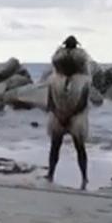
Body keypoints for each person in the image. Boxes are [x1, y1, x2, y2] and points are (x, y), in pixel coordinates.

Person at [45, 36, 92, 190]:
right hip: (73, 117)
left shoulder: (54, 79)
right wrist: (68, 115)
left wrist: (60, 115)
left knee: (57, 146)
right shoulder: (83, 79)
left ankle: (52, 174)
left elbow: (50, 102)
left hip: (61, 116)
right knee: (77, 147)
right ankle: (83, 177)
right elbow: (82, 103)